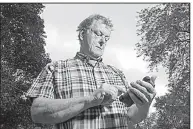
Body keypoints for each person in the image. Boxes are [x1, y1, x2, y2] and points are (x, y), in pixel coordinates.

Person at [26, 14, 157, 129]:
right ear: (82, 34)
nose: (102, 41)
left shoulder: (117, 73)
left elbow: (131, 116)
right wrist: (91, 100)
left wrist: (144, 104)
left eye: (106, 38)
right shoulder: (55, 68)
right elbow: (37, 112)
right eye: (98, 34)